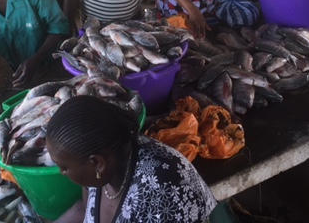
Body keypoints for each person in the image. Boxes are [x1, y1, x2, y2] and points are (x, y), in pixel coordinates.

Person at [46, 95, 217, 223]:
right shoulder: (106, 159)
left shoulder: (164, 197)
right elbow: (85, 208)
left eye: (64, 167)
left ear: (97, 163)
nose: (61, 172)